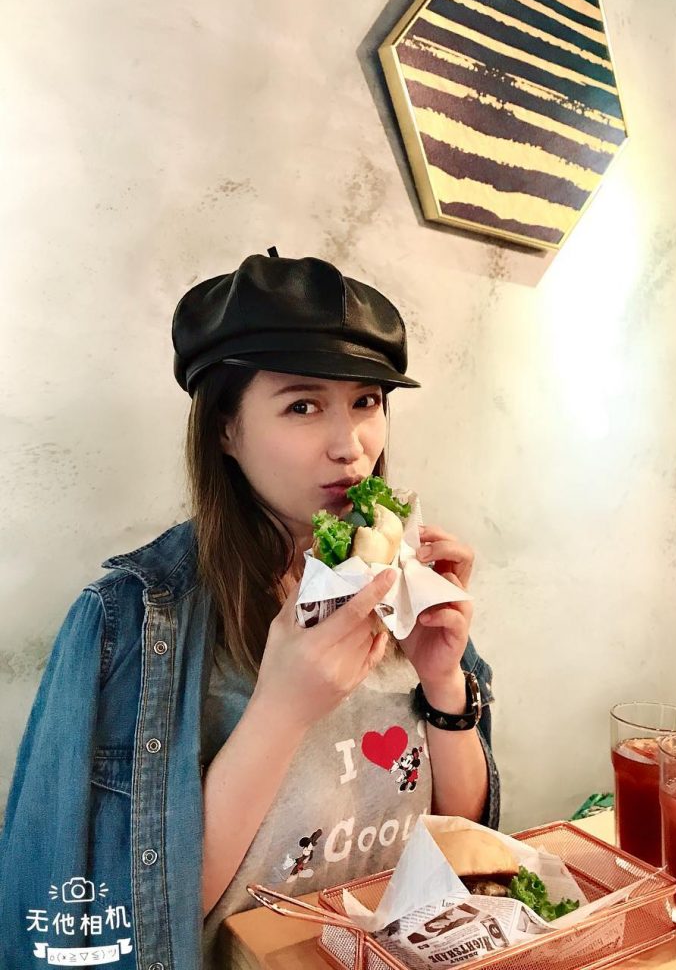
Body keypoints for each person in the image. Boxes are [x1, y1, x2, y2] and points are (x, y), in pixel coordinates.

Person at [0, 248, 500, 969]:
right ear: (225, 431)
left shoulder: (406, 580)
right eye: (302, 406)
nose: (350, 447)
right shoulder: (131, 620)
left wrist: (446, 683)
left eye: (366, 402)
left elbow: (462, 839)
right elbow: (108, 927)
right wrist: (280, 712)